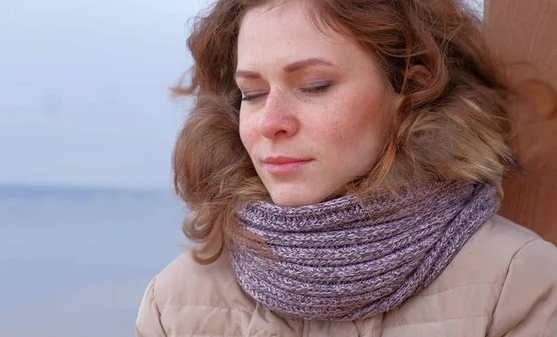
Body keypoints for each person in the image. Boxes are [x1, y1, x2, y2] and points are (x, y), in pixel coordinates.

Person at [136, 0, 557, 336]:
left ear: (409, 88)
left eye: (314, 86)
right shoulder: (175, 300)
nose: (270, 122)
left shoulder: (520, 284)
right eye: (252, 93)